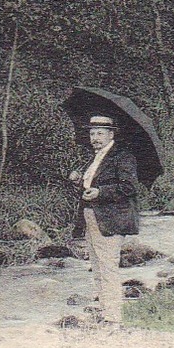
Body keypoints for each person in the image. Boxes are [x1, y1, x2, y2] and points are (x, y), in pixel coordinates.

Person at [69, 115, 141, 325]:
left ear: (111, 134)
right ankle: (103, 309)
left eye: (100, 133)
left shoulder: (123, 156)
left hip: (111, 219)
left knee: (108, 266)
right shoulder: (93, 158)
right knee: (97, 265)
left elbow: (129, 188)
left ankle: (113, 316)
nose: (95, 138)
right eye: (92, 133)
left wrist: (100, 192)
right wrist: (78, 181)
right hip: (91, 217)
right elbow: (88, 189)